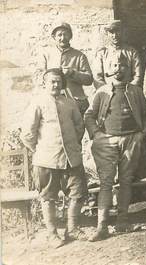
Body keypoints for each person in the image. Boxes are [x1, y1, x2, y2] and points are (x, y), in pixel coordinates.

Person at [20, 68, 87, 248]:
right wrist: (40, 150)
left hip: (71, 157)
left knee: (78, 192)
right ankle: (52, 234)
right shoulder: (37, 103)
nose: (56, 84)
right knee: (48, 197)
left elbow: (79, 126)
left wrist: (74, 145)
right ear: (45, 83)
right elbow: (27, 134)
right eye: (52, 81)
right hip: (46, 159)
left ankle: (72, 228)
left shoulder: (69, 102)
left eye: (58, 81)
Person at [85, 52, 146, 241]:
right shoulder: (102, 91)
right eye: (114, 65)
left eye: (122, 65)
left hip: (131, 140)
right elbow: (89, 115)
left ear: (128, 69)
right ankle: (102, 226)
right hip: (107, 141)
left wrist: (141, 134)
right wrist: (96, 133)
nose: (118, 68)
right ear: (108, 70)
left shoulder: (135, 90)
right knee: (106, 183)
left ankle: (122, 220)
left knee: (126, 180)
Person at [38, 21, 93, 116]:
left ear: (70, 37)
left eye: (66, 35)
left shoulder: (79, 56)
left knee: (76, 129)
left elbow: (89, 79)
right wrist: (50, 77)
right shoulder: (46, 55)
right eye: (59, 35)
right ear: (54, 37)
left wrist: (72, 73)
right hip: (52, 102)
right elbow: (38, 76)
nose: (62, 38)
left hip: (75, 102)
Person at [94, 20, 142, 89]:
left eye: (117, 32)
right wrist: (106, 90)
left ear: (122, 32)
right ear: (107, 33)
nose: (115, 35)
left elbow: (137, 76)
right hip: (108, 93)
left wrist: (129, 90)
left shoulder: (131, 52)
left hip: (127, 92)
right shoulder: (102, 53)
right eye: (111, 32)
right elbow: (97, 77)